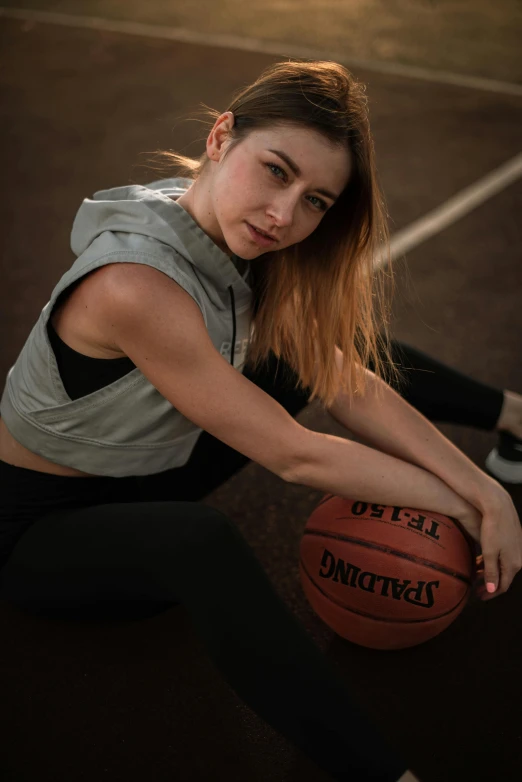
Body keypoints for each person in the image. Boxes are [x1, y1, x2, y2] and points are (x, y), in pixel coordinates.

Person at [0, 60, 520, 782]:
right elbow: (295, 456)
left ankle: (516, 418)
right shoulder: (133, 283)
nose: (285, 215)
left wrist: (482, 488)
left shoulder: (234, 234)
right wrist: (464, 506)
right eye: (276, 172)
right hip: (39, 531)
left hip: (152, 472)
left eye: (315, 201)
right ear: (221, 137)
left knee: (316, 353)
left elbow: (344, 381)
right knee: (200, 541)